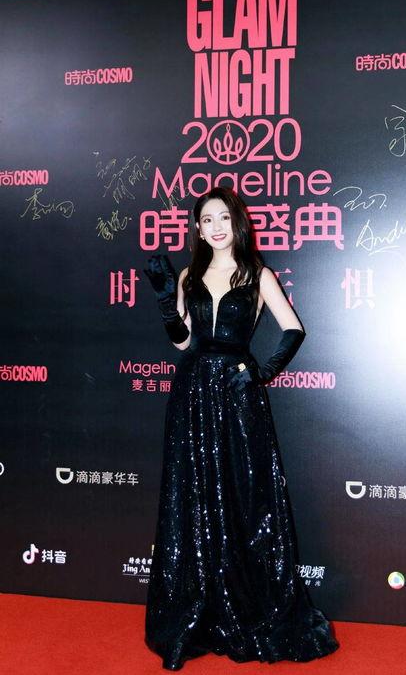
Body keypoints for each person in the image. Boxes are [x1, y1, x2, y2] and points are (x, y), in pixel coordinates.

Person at [143, 186, 339, 670]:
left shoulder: (257, 273)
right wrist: (167, 301)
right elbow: (182, 342)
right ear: (197, 227)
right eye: (206, 219)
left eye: (223, 218)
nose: (215, 227)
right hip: (192, 393)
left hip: (236, 395)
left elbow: (293, 329)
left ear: (237, 223)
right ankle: (202, 607)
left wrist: (260, 372)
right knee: (194, 495)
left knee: (245, 496)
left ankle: (250, 603)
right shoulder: (189, 274)